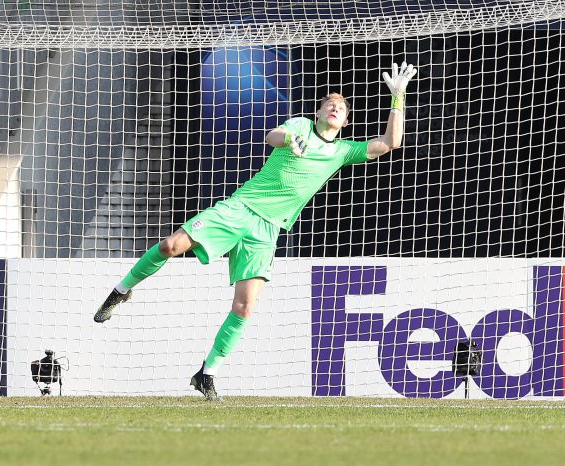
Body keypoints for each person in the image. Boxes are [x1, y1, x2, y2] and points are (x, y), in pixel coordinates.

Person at [94, 62, 419, 400]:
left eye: (341, 106)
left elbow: (389, 143)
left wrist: (398, 98)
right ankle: (122, 290)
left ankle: (206, 374)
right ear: (319, 111)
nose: (335, 106)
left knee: (244, 308)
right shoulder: (301, 127)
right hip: (240, 209)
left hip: (268, 230)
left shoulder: (341, 152)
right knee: (170, 246)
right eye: (329, 102)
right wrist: (291, 138)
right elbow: (272, 136)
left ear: (346, 122)